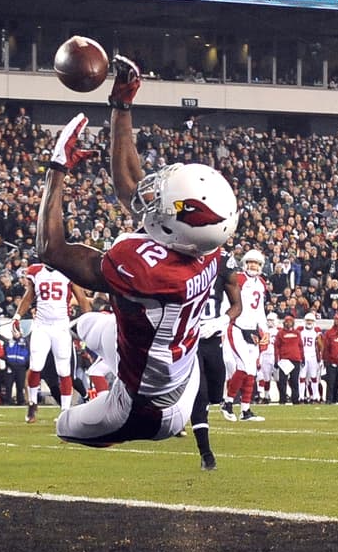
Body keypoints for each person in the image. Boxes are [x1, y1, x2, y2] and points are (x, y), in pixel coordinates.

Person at [36, 57, 240, 446]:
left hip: (145, 407)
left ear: (175, 227)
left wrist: (56, 169)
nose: (152, 194)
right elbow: (132, 189)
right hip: (179, 367)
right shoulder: (207, 245)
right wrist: (122, 106)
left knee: (65, 425)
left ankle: (112, 419)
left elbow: (51, 249)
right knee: (88, 324)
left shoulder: (146, 269)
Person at [12, 261, 89, 423]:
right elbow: (29, 296)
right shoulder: (36, 271)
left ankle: (65, 410)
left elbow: (81, 298)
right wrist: (17, 316)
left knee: (64, 370)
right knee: (35, 366)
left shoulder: (69, 270)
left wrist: (89, 320)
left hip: (61, 327)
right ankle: (32, 402)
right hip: (41, 326)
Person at [190, 252, 241, 470]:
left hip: (212, 337)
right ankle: (206, 453)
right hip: (188, 338)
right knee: (199, 395)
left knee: (214, 394)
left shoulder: (222, 261)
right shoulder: (179, 257)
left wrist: (221, 321)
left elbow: (237, 305)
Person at [222, 249, 268, 422]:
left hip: (252, 330)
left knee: (251, 370)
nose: (253, 265)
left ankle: (245, 410)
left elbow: (260, 310)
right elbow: (227, 302)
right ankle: (227, 402)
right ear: (245, 264)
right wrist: (224, 324)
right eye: (250, 262)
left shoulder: (261, 283)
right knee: (242, 367)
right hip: (237, 327)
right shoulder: (238, 278)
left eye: (256, 263)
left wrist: (265, 330)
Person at [299, 312, 323, 403]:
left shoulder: (316, 333)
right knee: (302, 377)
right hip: (304, 356)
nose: (309, 322)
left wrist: (320, 358)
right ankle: (301, 397)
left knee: (314, 377)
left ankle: (315, 396)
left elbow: (321, 346)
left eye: (311, 320)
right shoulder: (301, 332)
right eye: (307, 320)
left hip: (313, 356)